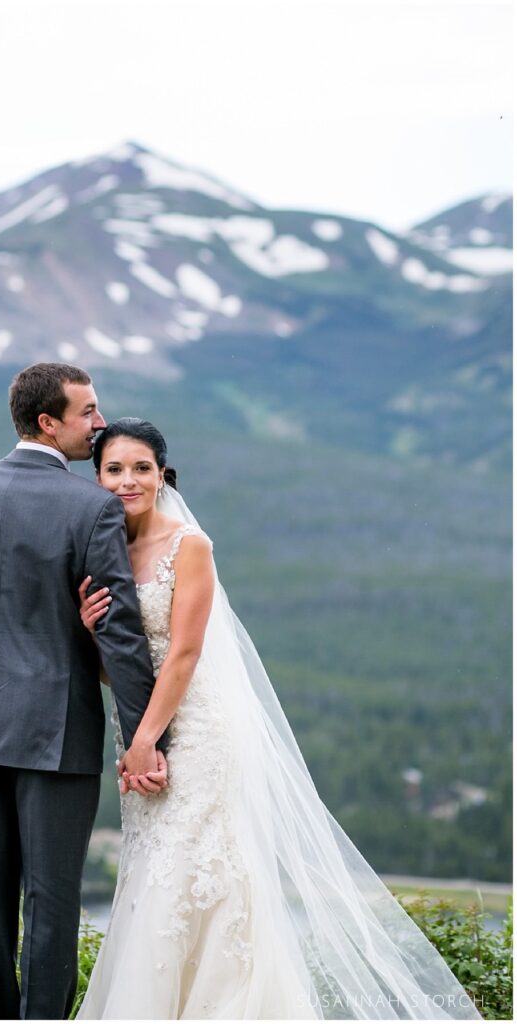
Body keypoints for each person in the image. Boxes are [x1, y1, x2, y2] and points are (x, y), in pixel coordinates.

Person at [76, 418, 483, 1021]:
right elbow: (124, 668)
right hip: (140, 730)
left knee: (201, 865)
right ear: (98, 476)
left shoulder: (191, 546)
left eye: (141, 467)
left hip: (199, 729)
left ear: (163, 474)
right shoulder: (105, 550)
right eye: (114, 469)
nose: (128, 480)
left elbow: (184, 654)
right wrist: (92, 635)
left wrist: (144, 743)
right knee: (152, 868)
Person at [0, 365, 166, 1020]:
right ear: (47, 422)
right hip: (56, 728)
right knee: (51, 902)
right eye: (87, 411)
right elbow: (119, 631)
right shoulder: (92, 507)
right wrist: (150, 738)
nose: (99, 422)